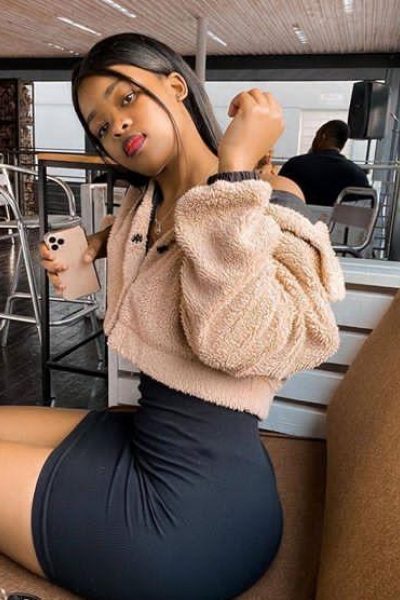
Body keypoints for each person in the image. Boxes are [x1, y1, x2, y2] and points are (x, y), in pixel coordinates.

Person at [0, 33, 345, 600]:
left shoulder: (268, 196)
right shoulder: (145, 205)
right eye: (100, 126)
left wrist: (235, 172)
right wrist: (92, 247)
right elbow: (165, 236)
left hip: (190, 520)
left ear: (176, 86)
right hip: (148, 438)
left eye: (126, 98)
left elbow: (237, 340)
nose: (116, 126)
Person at [279, 120, 370, 206]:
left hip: (297, 216)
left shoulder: (294, 165)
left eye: (316, 136)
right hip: (339, 218)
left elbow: (278, 194)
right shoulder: (358, 174)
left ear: (323, 136)